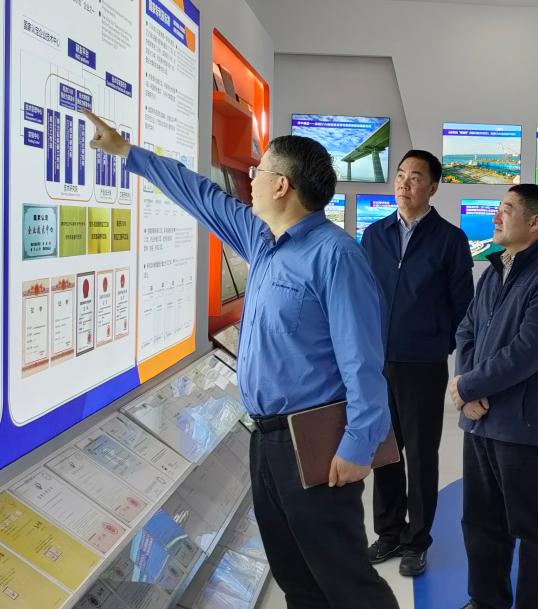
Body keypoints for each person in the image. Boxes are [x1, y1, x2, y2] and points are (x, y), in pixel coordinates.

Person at [84, 112, 398, 609]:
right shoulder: (261, 241)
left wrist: (359, 445)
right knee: (297, 579)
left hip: (315, 443)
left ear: (282, 185)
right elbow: (201, 196)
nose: (250, 179)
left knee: (346, 584)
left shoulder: (335, 256)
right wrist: (127, 153)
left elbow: (363, 362)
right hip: (266, 441)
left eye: (259, 171)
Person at [450, 184, 538, 609]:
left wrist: (468, 386)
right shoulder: (495, 269)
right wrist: (467, 388)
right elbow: (467, 331)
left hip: (524, 427)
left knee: (535, 532)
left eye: (506, 209)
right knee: (481, 523)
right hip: (480, 421)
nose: (496, 217)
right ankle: (486, 601)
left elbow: (527, 353)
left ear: (536, 222)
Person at [361, 150, 474, 577]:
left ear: (433, 186)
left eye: (415, 177)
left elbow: (463, 306)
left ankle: (417, 541)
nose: (404, 184)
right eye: (401, 175)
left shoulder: (450, 240)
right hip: (377, 363)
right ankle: (388, 532)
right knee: (384, 452)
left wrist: (444, 348)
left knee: (421, 455)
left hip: (424, 364)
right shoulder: (374, 234)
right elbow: (362, 295)